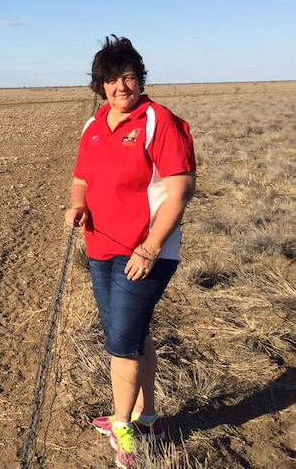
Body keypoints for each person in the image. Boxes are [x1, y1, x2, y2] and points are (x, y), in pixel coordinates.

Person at [64, 36, 196, 468]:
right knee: (133, 335)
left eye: (130, 77)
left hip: (145, 253)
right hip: (100, 248)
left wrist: (150, 248)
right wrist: (77, 205)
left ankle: (124, 430)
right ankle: (149, 417)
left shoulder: (159, 120)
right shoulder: (95, 125)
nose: (122, 86)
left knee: (121, 342)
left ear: (140, 80)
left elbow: (180, 190)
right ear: (99, 85)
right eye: (113, 79)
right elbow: (82, 178)